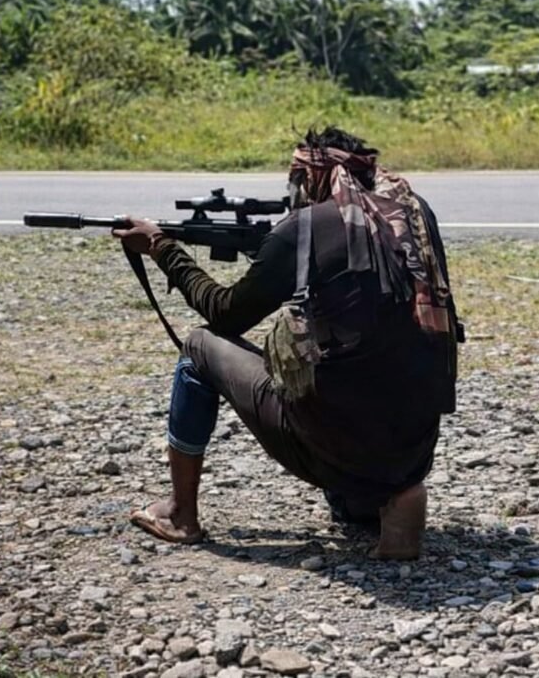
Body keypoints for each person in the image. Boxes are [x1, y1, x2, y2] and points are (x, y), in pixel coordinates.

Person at [113, 127, 459, 560]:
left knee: (199, 347)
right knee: (366, 379)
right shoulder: (415, 215)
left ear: (311, 177)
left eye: (295, 181)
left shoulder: (305, 229)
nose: (292, 193)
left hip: (334, 445)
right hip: (411, 449)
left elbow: (225, 312)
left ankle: (181, 514)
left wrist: (164, 249)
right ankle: (395, 498)